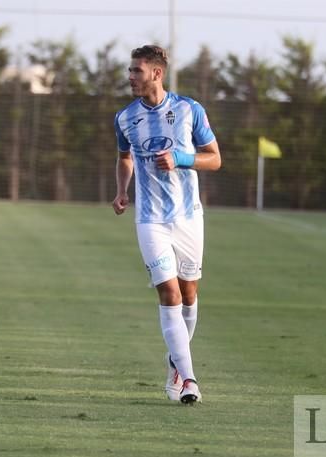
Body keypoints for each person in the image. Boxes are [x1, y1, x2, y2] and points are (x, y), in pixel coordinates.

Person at [112, 45, 221, 404]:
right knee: (168, 293)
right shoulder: (125, 118)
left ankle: (175, 361)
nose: (130, 77)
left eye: (136, 71)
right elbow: (125, 157)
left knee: (189, 295)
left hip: (189, 217)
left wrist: (181, 158)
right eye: (129, 71)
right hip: (150, 219)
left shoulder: (190, 109)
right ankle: (189, 379)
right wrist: (121, 190)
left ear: (156, 74)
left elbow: (215, 159)